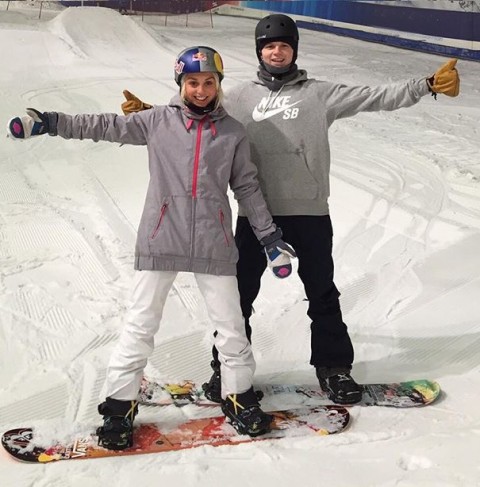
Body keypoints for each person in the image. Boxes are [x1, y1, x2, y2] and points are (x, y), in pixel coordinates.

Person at [121, 15, 460, 406]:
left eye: (284, 45)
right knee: (238, 298)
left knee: (322, 294)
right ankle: (225, 372)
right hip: (256, 215)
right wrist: (148, 114)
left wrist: (427, 85)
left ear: (294, 50)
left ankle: (334, 369)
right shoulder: (237, 96)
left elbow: (374, 96)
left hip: (310, 214)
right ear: (259, 51)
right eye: (269, 46)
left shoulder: (319, 94)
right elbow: (193, 107)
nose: (276, 51)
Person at [7, 45, 297, 450]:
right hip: (162, 238)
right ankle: (118, 408)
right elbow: (103, 125)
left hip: (213, 244)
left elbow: (247, 187)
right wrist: (50, 122)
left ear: (218, 84)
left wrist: (269, 239)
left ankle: (237, 395)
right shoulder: (158, 121)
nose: (200, 90)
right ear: (181, 84)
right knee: (140, 326)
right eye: (193, 82)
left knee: (232, 329)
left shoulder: (232, 133)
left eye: (208, 81)